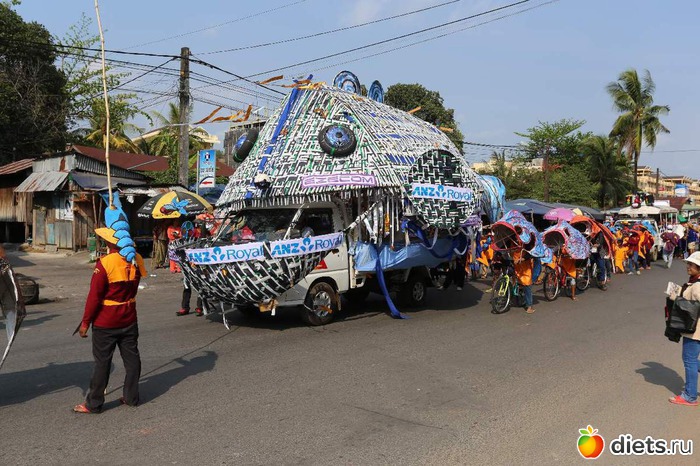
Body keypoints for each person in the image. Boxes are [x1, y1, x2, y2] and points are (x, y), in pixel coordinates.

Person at [73, 227, 147, 414]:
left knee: (102, 363)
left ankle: (94, 403)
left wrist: (85, 323)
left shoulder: (105, 263)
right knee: (132, 359)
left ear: (110, 243)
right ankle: (131, 397)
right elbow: (134, 288)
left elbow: (94, 297)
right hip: (129, 317)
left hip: (106, 321)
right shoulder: (136, 258)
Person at [668, 252, 700, 406]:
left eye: (691, 264)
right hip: (695, 329)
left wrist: (678, 299)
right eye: (688, 264)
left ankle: (690, 396)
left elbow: (693, 305)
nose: (688, 266)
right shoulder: (694, 282)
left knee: (689, 360)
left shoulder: (698, 285)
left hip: (695, 330)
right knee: (691, 360)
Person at [513, 249, 535, 314]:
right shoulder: (511, 243)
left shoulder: (527, 244)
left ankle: (529, 306)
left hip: (526, 267)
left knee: (527, 284)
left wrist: (521, 259)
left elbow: (530, 253)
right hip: (516, 266)